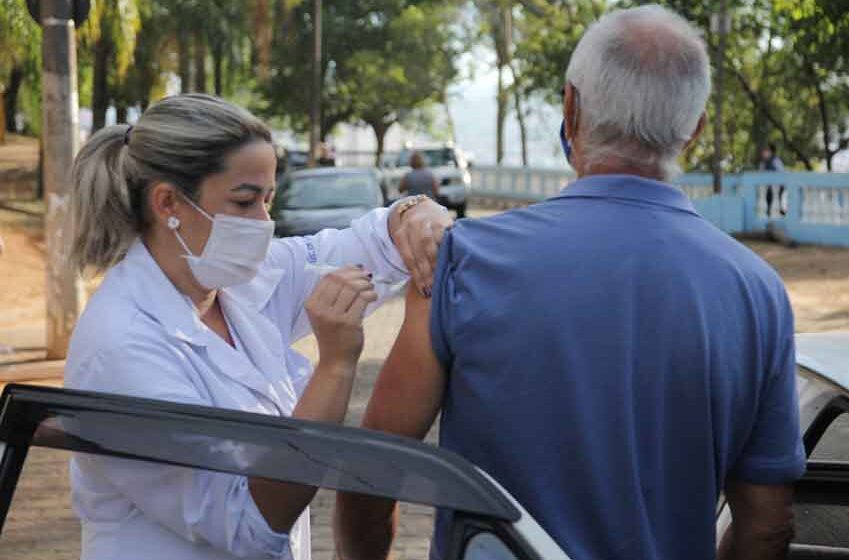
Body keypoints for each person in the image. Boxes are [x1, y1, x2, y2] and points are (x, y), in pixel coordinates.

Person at [336, 6, 805, 560]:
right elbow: (768, 524)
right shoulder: (756, 291)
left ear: (570, 106)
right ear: (695, 130)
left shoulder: (462, 263)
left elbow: (372, 473)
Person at [63, 93, 451, 560]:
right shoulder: (121, 345)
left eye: (268, 199)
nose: (264, 223)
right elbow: (250, 521)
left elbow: (371, 244)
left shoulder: (237, 283)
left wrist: (415, 212)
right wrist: (336, 366)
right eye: (245, 201)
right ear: (168, 202)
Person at [759, 143, 786, 217]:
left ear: (771, 152)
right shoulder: (764, 162)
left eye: (766, 151)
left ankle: (779, 211)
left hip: (777, 187)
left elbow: (781, 172)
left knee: (775, 203)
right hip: (768, 187)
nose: (763, 153)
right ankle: (770, 212)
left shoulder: (776, 160)